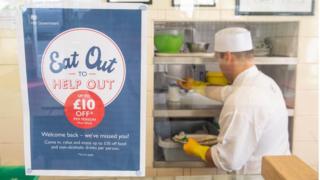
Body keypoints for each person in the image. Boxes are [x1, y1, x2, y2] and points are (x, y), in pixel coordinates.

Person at [179, 27, 290, 174]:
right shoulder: (264, 82)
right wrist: (197, 86)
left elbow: (227, 160)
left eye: (219, 60)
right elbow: (225, 92)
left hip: (256, 176)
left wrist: (197, 149)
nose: (220, 67)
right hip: (278, 172)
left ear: (228, 57)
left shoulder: (242, 100)